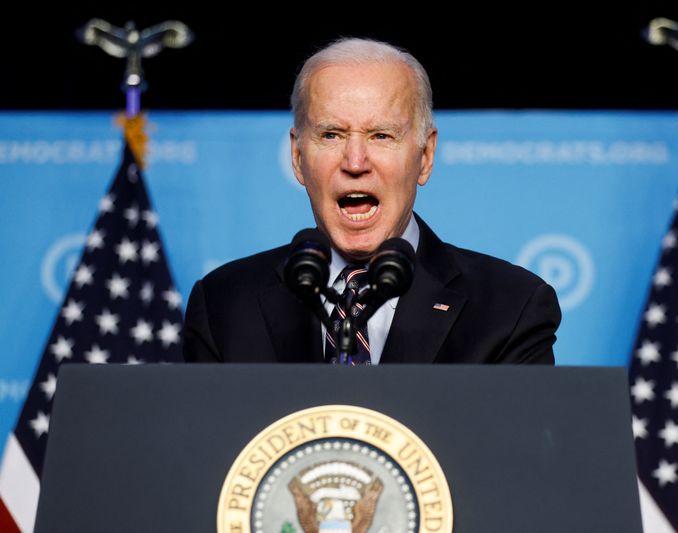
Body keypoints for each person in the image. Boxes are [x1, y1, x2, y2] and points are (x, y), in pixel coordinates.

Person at [182, 37, 561, 364]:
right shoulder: (222, 306)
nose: (355, 162)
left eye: (382, 135)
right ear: (298, 158)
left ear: (425, 157)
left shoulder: (510, 309)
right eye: (331, 135)